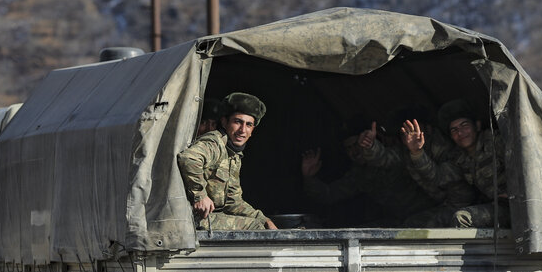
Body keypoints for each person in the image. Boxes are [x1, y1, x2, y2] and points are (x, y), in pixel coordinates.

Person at [301, 111, 455, 227]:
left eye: (357, 144)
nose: (354, 151)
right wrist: (309, 178)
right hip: (398, 222)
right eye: (349, 148)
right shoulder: (359, 174)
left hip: (428, 215)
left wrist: (371, 146)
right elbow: (329, 195)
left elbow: (383, 158)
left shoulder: (399, 154)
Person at [402, 99, 509, 228]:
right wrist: (417, 152)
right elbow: (438, 177)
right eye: (454, 130)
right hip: (494, 207)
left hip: (516, 206)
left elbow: (524, 165)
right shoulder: (458, 158)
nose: (460, 133)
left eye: (465, 125)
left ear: (478, 126)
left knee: (461, 218)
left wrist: (513, 192)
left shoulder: (496, 142)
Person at [177, 92, 277, 230]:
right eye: (237, 122)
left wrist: (264, 219)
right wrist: (199, 195)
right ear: (224, 122)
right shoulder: (215, 142)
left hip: (206, 218)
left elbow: (233, 202)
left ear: (252, 130)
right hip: (190, 218)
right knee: (254, 227)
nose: (242, 130)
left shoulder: (233, 155)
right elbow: (189, 158)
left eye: (249, 125)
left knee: (262, 224)